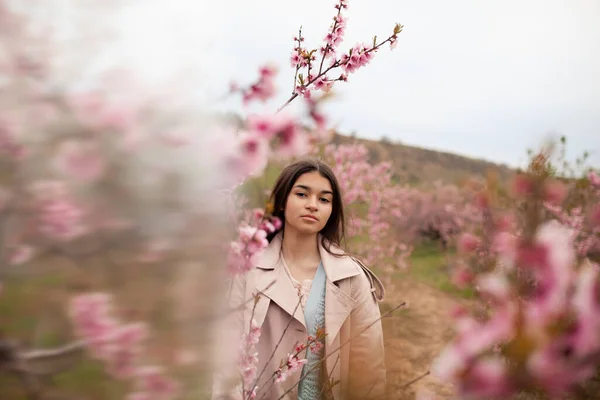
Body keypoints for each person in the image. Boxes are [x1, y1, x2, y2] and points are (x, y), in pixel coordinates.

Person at [212, 158, 387, 400]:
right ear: (282, 201)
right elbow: (227, 358)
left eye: (324, 199)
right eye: (302, 194)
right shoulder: (249, 267)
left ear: (331, 211)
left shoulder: (350, 277)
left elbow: (369, 367)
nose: (313, 205)